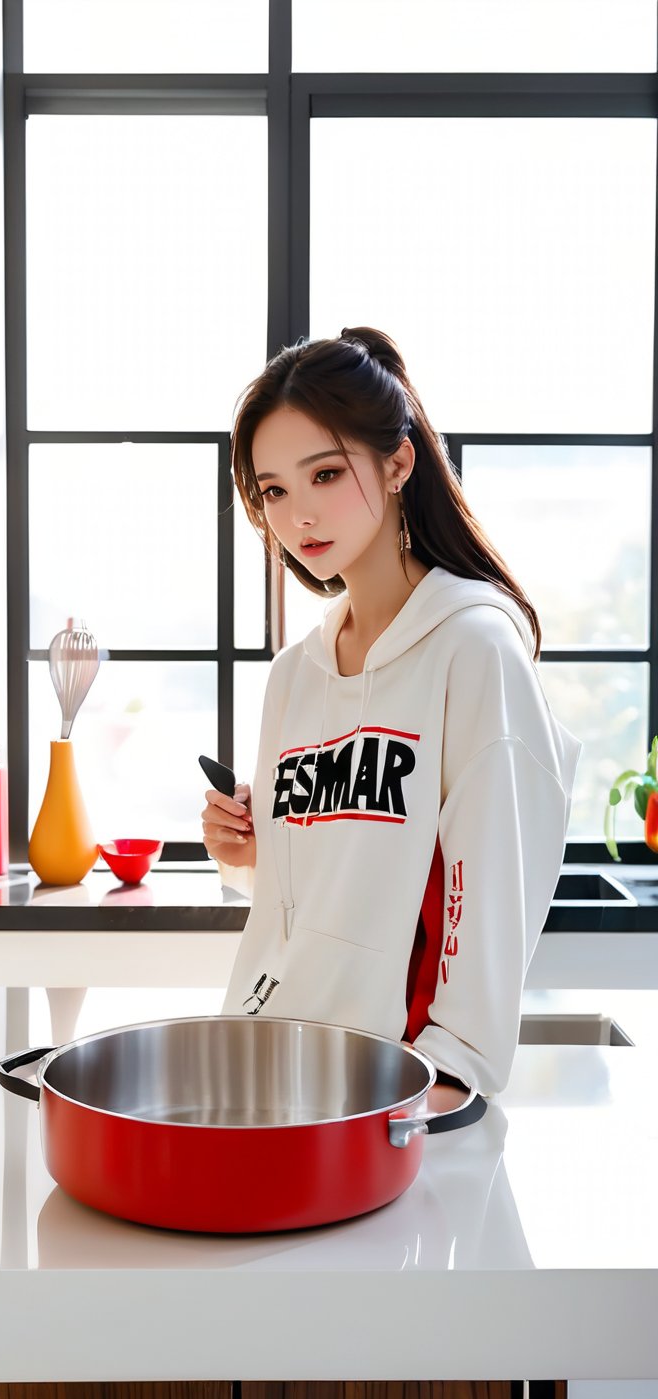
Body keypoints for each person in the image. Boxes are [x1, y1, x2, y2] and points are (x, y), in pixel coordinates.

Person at [201, 325, 583, 1098]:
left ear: (399, 461)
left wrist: (445, 1080)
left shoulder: (472, 650)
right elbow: (330, 887)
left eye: (326, 474)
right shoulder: (292, 676)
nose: (298, 515)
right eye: (273, 490)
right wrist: (249, 854)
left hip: (390, 1091)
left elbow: (487, 889)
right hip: (264, 1062)